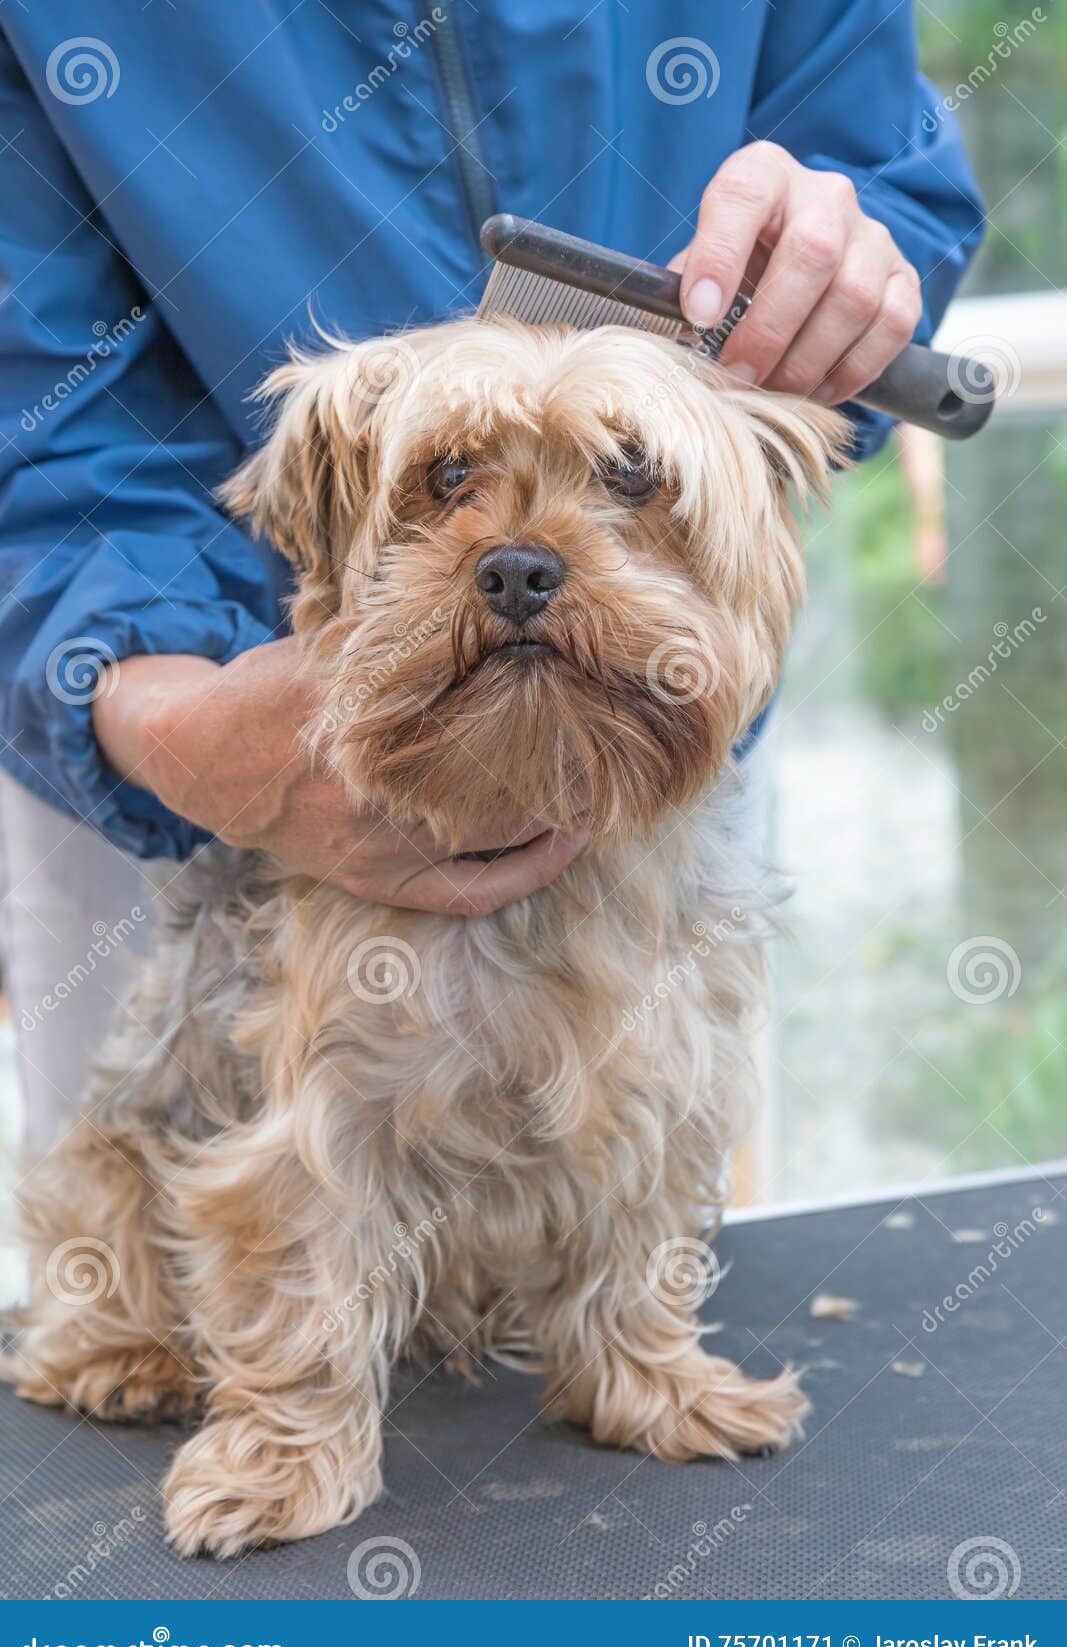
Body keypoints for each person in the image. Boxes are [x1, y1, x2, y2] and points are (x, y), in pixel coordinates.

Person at [0, 3, 982, 1151]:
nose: (518, 559)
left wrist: (846, 261)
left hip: (650, 769)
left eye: (623, 474)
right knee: (204, 1199)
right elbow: (28, 393)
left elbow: (874, 155)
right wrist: (152, 709)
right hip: (169, 741)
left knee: (636, 1193)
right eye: (450, 481)